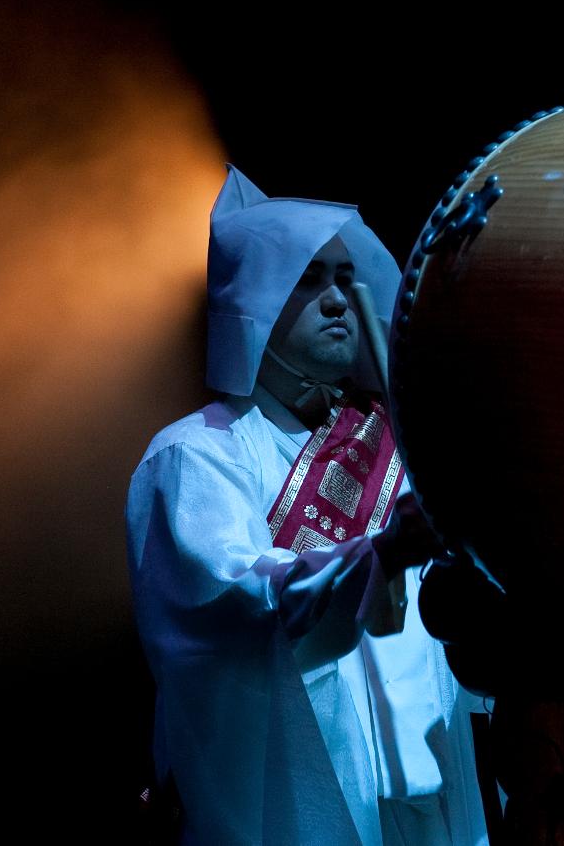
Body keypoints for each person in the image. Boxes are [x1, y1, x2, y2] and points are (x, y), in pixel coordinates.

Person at [126, 165, 489, 845]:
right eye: (308, 279)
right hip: (300, 799)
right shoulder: (197, 455)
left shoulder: (404, 445)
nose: (337, 301)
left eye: (347, 280)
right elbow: (230, 602)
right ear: (253, 303)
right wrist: (380, 552)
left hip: (431, 796)